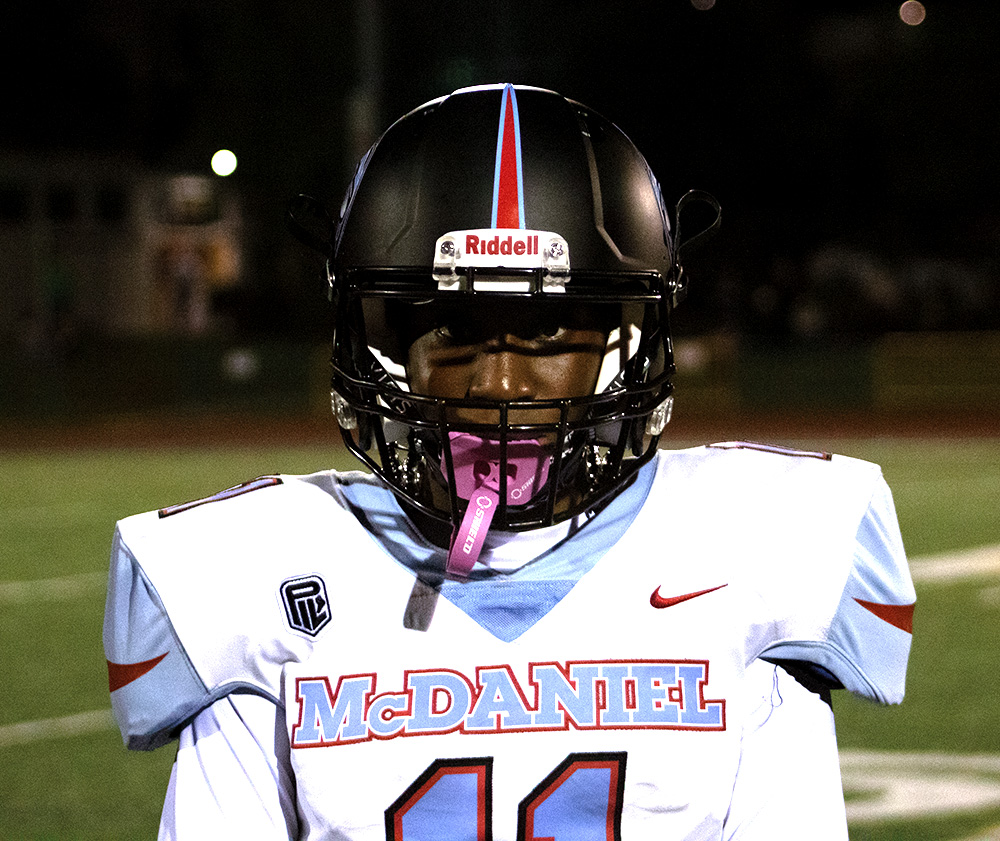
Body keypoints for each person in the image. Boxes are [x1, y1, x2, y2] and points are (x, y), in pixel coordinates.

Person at [103, 83, 915, 840]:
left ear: (627, 344)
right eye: (454, 330)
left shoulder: (755, 555)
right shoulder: (258, 582)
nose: (498, 381)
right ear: (383, 346)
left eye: (548, 333)